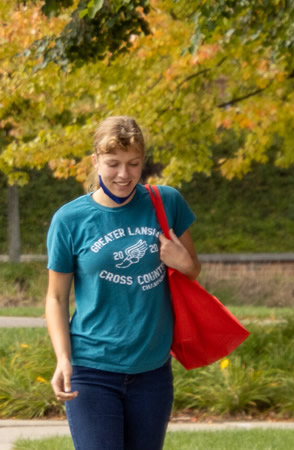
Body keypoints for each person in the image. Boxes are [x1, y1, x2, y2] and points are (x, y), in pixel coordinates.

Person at [42, 116, 196, 450]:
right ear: (95, 160)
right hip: (91, 366)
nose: (123, 175)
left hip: (152, 370)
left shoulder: (167, 202)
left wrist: (181, 260)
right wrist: (63, 358)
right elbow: (56, 297)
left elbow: (193, 270)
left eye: (134, 164)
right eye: (113, 164)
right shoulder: (70, 220)